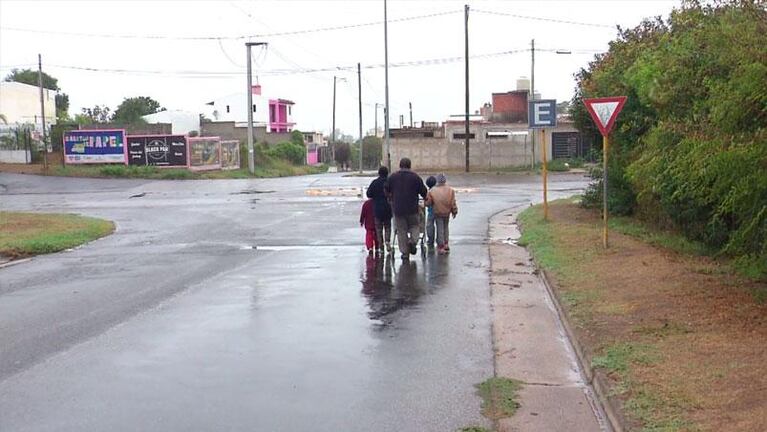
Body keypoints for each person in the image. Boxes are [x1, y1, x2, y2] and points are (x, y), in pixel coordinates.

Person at [384, 158, 427, 260]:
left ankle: (404, 253)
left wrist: (390, 198)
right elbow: (424, 192)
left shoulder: (393, 177)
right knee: (415, 226)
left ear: (400, 165)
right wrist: (425, 198)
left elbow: (386, 189)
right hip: (412, 208)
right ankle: (413, 241)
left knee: (401, 230)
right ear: (410, 165)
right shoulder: (415, 177)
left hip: (398, 208)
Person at [425, 173, 457, 254]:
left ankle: (441, 246)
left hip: (438, 212)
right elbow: (453, 202)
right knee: (446, 227)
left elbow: (428, 203)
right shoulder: (450, 190)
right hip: (447, 212)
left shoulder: (432, 191)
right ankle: (446, 243)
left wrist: (425, 203)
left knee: (440, 228)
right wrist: (454, 211)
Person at [366, 166, 393, 254]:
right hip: (388, 207)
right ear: (387, 173)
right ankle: (388, 241)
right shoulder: (390, 182)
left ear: (379, 173)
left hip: (377, 208)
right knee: (388, 226)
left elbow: (369, 194)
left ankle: (381, 245)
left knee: (378, 228)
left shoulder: (374, 182)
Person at [424, 175, 437, 249]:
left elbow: (428, 203)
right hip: (439, 211)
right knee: (440, 226)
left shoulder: (429, 192)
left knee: (430, 226)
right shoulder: (438, 191)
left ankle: (431, 239)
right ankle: (441, 240)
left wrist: (425, 204)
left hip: (431, 211)